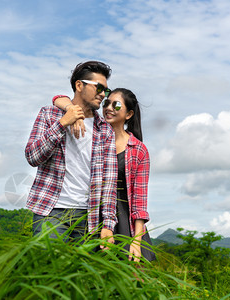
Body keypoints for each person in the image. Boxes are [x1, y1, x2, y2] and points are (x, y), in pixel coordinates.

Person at [53, 88, 156, 262]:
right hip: (91, 215)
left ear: (129, 114)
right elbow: (57, 98)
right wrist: (72, 111)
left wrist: (136, 241)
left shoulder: (138, 150)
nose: (108, 108)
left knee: (129, 280)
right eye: (106, 103)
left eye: (116, 105)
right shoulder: (94, 136)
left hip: (124, 221)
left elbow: (139, 201)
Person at [25, 61, 118, 244]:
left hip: (88, 217)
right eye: (99, 87)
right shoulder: (49, 115)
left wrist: (108, 224)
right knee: (49, 268)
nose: (102, 94)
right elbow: (32, 157)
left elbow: (110, 181)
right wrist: (62, 124)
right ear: (79, 85)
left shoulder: (105, 130)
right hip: (51, 211)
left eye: (105, 90)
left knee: (82, 272)